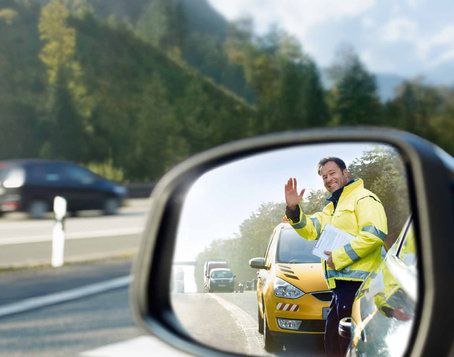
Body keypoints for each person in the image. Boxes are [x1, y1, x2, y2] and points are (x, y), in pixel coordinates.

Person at [284, 157, 387, 357]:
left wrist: (339, 257)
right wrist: (294, 210)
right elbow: (311, 229)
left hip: (359, 289)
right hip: (339, 289)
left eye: (332, 173)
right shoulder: (331, 208)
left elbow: (375, 235)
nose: (329, 179)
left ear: (345, 172)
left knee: (349, 347)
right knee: (333, 343)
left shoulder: (365, 198)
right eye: (324, 176)